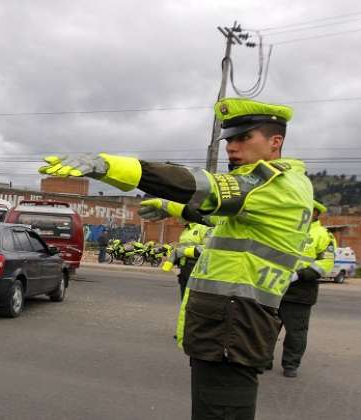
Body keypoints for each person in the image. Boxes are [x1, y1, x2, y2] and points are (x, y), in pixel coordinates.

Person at [39, 98, 313, 420]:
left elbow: (200, 185)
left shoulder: (274, 183)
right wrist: (172, 208)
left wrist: (110, 165)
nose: (232, 148)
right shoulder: (268, 191)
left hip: (233, 329)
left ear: (275, 141)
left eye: (244, 138)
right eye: (229, 140)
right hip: (227, 328)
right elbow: (217, 218)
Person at [272, 200, 336, 378]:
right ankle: (263, 360)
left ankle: (290, 365)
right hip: (276, 287)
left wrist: (299, 275)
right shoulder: (286, 229)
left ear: (316, 213)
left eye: (310, 210)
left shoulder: (323, 235)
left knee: (296, 333)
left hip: (301, 291)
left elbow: (326, 263)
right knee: (267, 328)